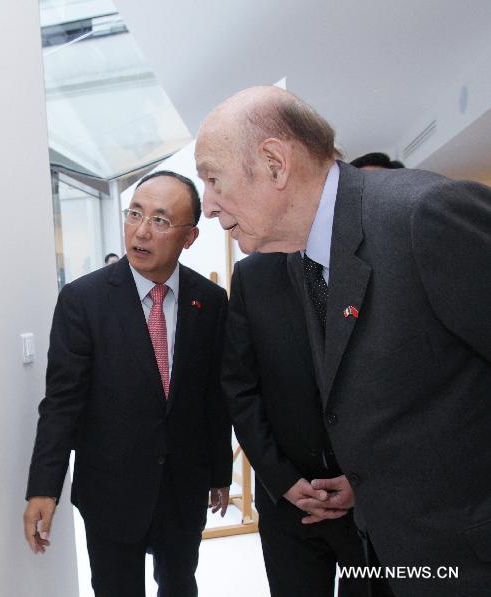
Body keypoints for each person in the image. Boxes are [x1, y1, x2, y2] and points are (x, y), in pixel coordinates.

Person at [195, 86, 491, 596]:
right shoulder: (308, 259)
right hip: (390, 558)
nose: (207, 205)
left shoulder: (423, 214)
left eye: (214, 179)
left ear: (274, 163)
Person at [23, 171, 232, 596]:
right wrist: (44, 487)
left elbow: (213, 394)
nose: (140, 231)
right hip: (111, 489)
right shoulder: (83, 301)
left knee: (179, 585)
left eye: (159, 220)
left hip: (183, 485)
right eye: (134, 213)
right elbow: (62, 402)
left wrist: (219, 471)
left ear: (189, 237)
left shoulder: (209, 302)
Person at [223, 253, 368, 596]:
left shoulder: (374, 254)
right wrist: (283, 479)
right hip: (287, 504)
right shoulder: (252, 274)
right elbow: (240, 388)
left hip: (371, 502)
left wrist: (363, 482)